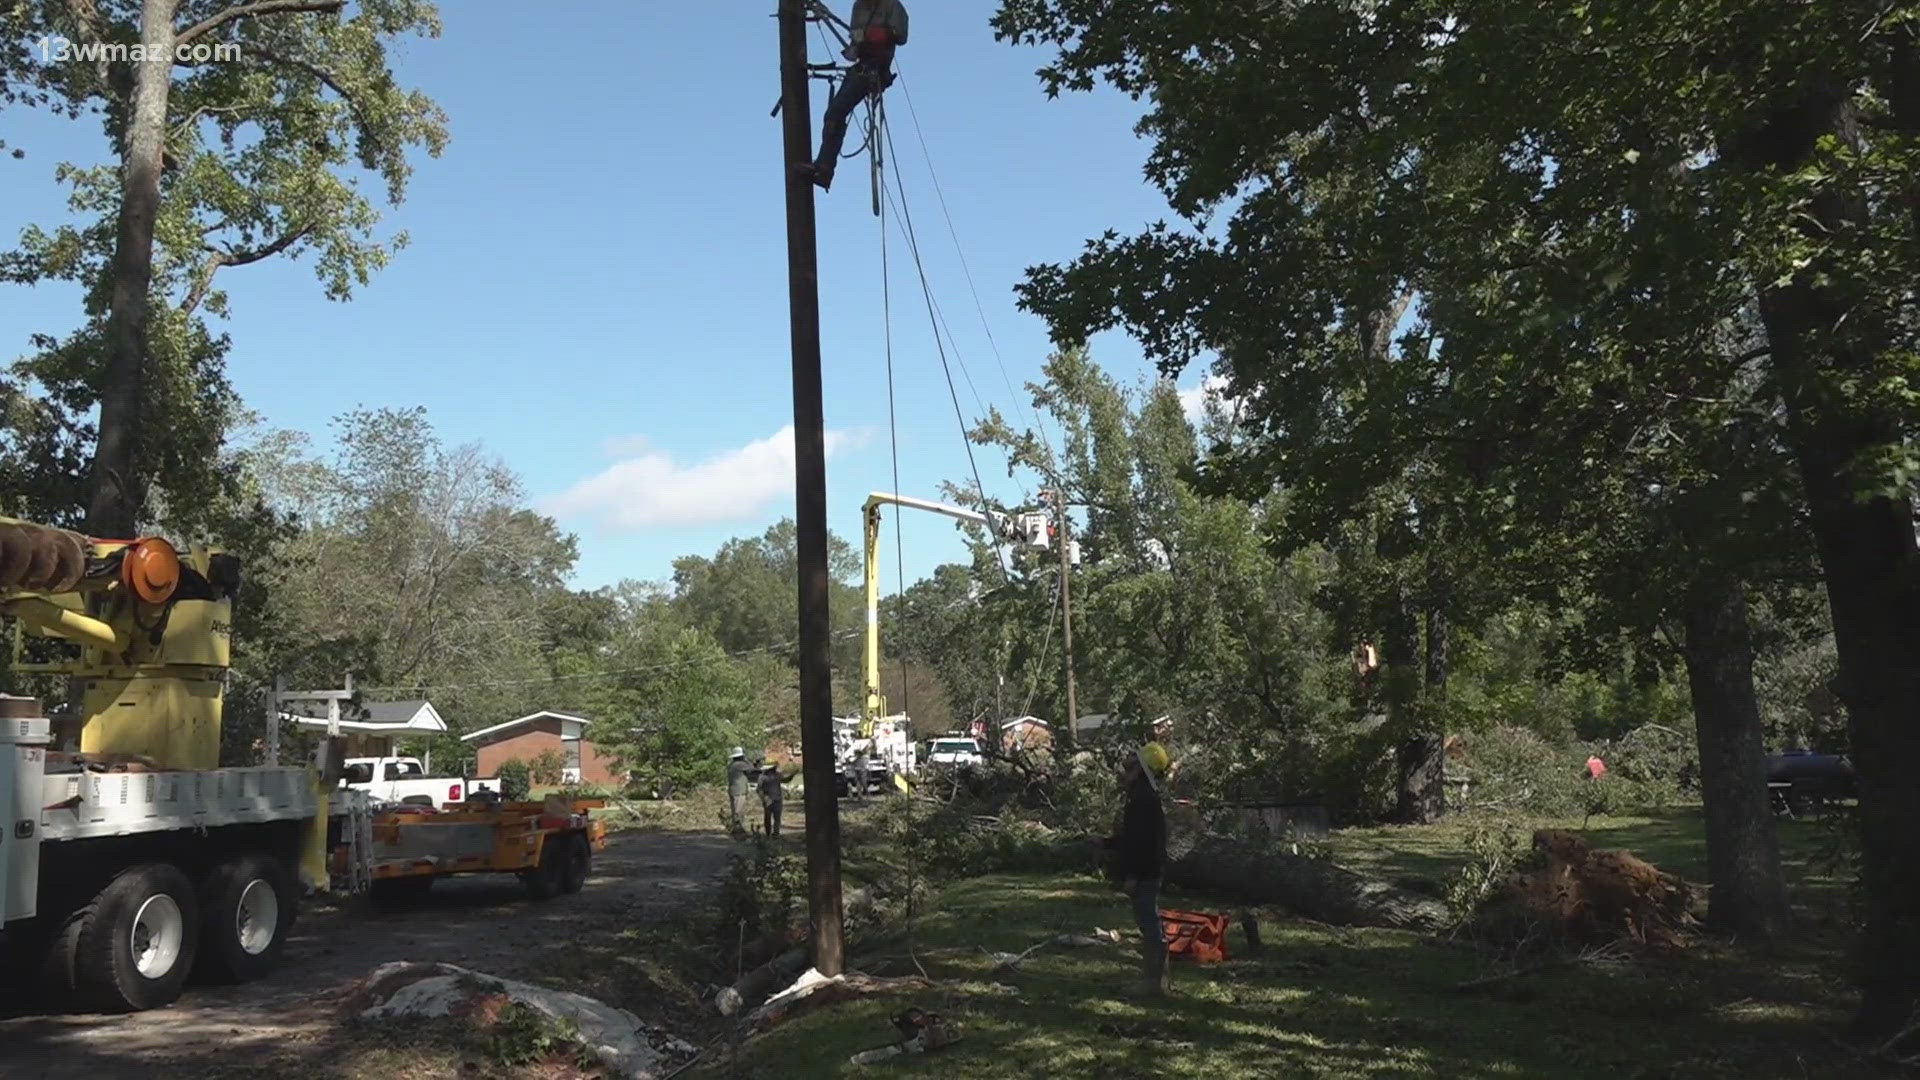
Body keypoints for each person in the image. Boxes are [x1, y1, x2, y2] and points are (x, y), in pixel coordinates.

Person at [806, 0, 909, 191]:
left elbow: (901, 36)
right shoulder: (859, 7)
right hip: (861, 68)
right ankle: (824, 168)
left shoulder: (891, 6)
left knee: (836, 112)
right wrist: (856, 45)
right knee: (833, 114)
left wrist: (877, 35)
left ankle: (824, 168)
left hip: (875, 70)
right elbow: (855, 44)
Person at [1102, 741, 1171, 997]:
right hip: (1149, 869)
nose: (1127, 763)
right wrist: (1107, 843)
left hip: (1145, 872)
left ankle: (1154, 983)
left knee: (1149, 922)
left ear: (1141, 768)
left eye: (1134, 760)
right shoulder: (1142, 795)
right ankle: (1155, 981)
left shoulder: (1142, 799)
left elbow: (1141, 844)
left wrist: (1133, 876)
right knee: (1147, 921)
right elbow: (1132, 837)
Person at [758, 757, 787, 837]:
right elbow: (759, 789)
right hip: (768, 799)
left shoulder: (777, 775)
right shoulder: (762, 777)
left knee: (777, 818)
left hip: (777, 799)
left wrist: (792, 775)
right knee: (768, 818)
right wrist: (763, 798)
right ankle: (768, 833)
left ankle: (776, 833)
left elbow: (785, 780)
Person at [726, 747, 752, 830]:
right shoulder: (739, 764)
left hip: (733, 789)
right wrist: (746, 760)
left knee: (735, 810)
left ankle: (736, 827)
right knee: (738, 811)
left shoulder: (732, 764)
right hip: (739, 790)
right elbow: (751, 768)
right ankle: (738, 829)